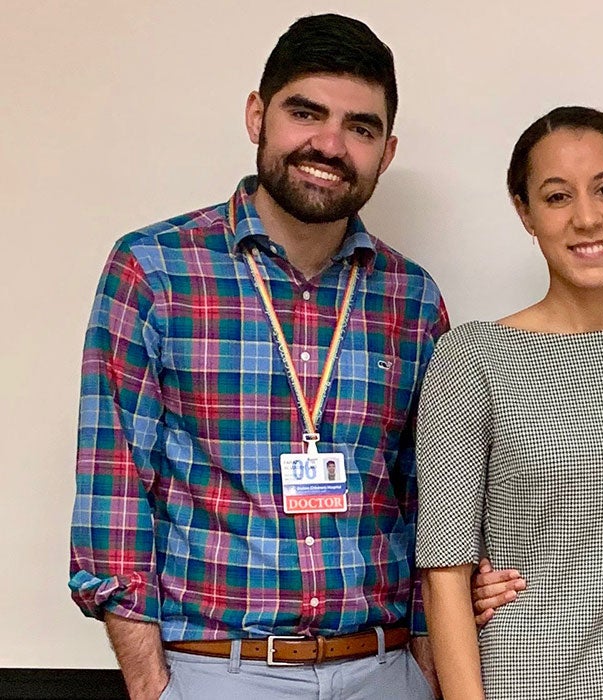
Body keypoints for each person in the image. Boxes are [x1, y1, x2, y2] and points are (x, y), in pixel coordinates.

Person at [68, 14, 444, 699]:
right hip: (219, 669)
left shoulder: (411, 298)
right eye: (306, 113)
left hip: (385, 668)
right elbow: (113, 495)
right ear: (257, 115)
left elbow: (427, 502)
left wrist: (428, 670)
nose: (328, 145)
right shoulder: (154, 271)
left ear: (386, 153)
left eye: (359, 127)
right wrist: (155, 688)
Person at [414, 105, 603, 700]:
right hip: (523, 680)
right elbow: (444, 574)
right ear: (524, 212)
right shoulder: (471, 356)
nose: (586, 217)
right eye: (556, 197)